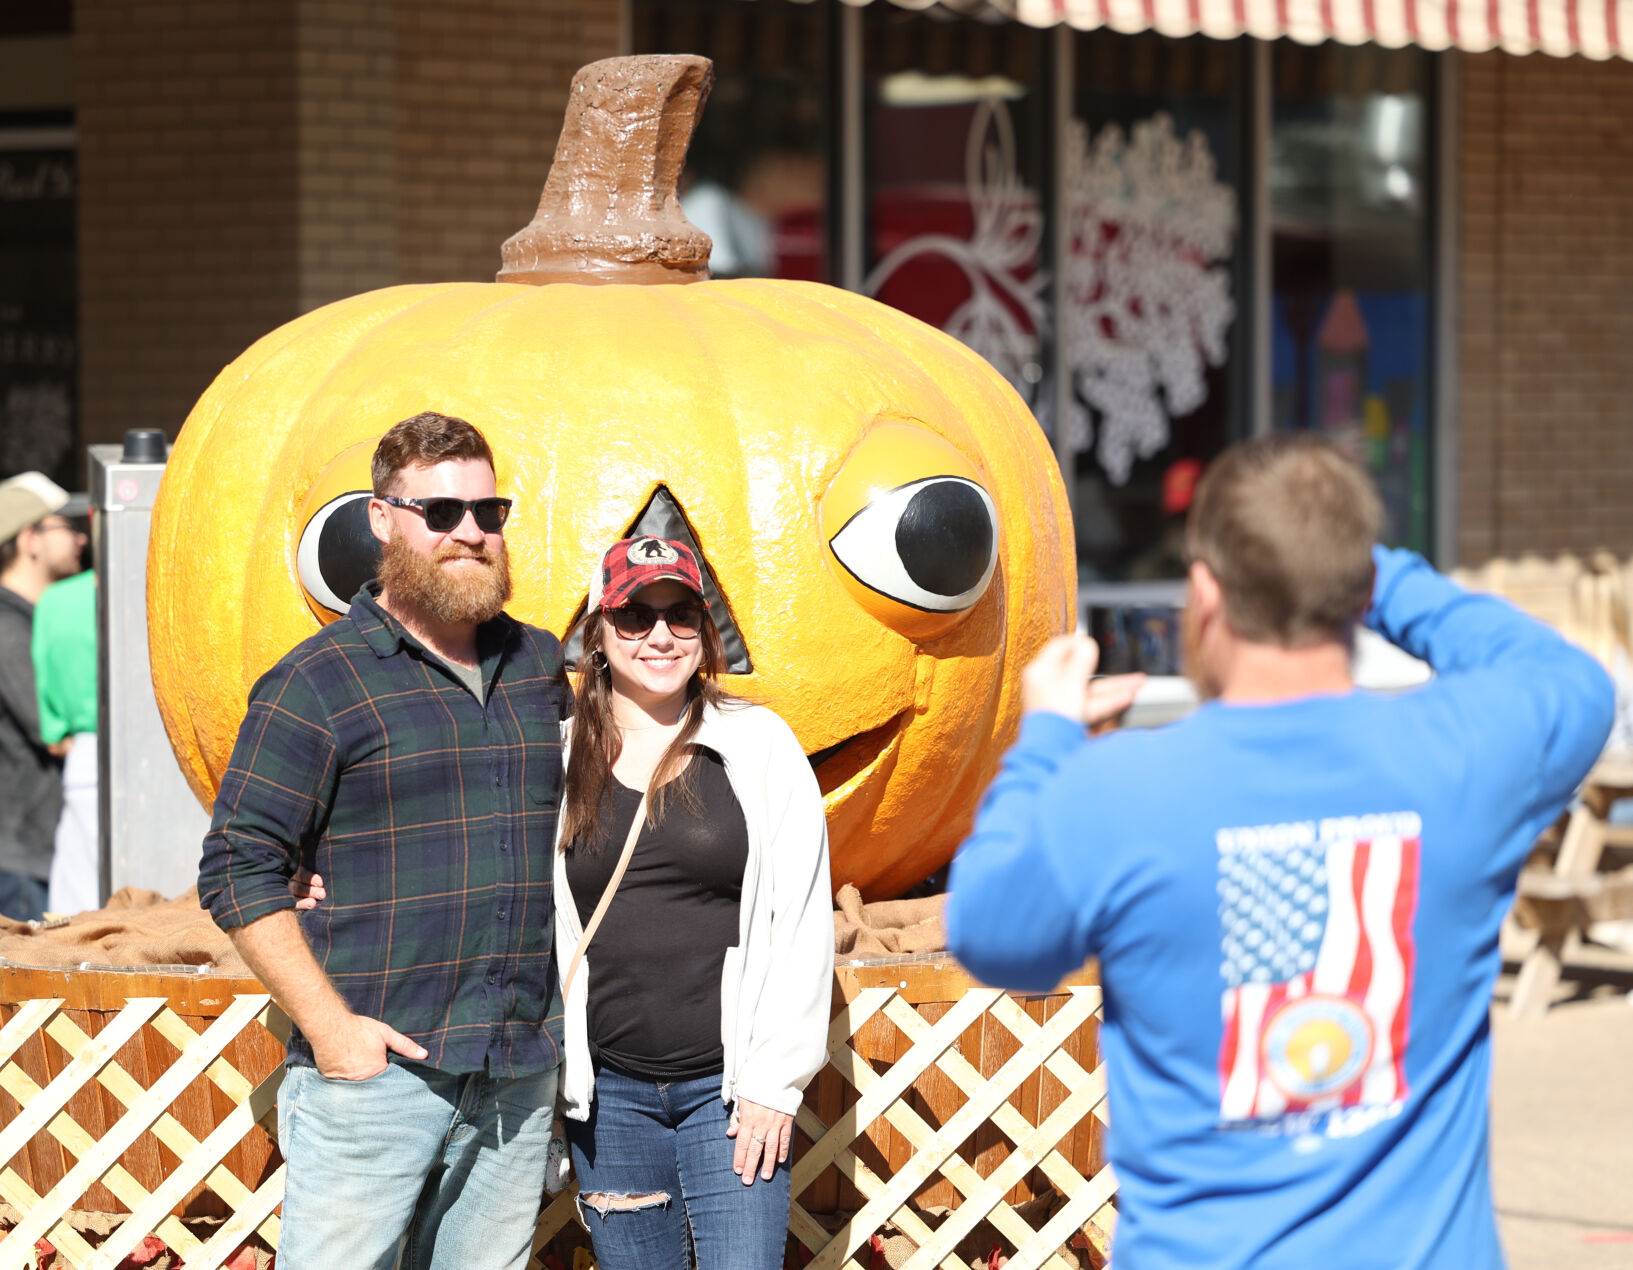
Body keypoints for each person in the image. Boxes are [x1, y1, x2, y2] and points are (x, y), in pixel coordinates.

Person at [945, 435, 1614, 1270]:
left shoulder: (1115, 790)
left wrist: (1045, 735)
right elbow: (1566, 678)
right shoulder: (1467, 753)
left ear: (1205, 592)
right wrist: (1372, 573)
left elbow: (990, 933)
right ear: (1349, 583)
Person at [197, 412, 570, 1270]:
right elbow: (235, 866)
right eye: (440, 514)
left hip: (515, 1067)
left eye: (488, 512)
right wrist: (332, 1031)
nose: (469, 534)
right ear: (381, 517)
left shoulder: (539, 668)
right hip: (379, 1075)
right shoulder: (317, 683)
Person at [555, 534, 832, 1270]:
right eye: (634, 616)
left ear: (706, 631)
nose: (659, 636)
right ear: (598, 631)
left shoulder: (758, 744)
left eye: (681, 615)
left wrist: (775, 1083)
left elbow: (801, 919)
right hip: (609, 1100)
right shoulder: (555, 759)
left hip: (730, 1092)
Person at [0, 472, 87, 921]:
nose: (81, 537)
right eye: (65, 527)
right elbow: (51, 732)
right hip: (20, 861)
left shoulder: (37, 619)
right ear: (29, 538)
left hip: (41, 849)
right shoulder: (7, 628)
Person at [35, 564, 99, 915]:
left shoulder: (55, 600)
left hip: (82, 756)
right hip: (160, 751)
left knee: (72, 916)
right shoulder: (158, 592)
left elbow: (52, 731)